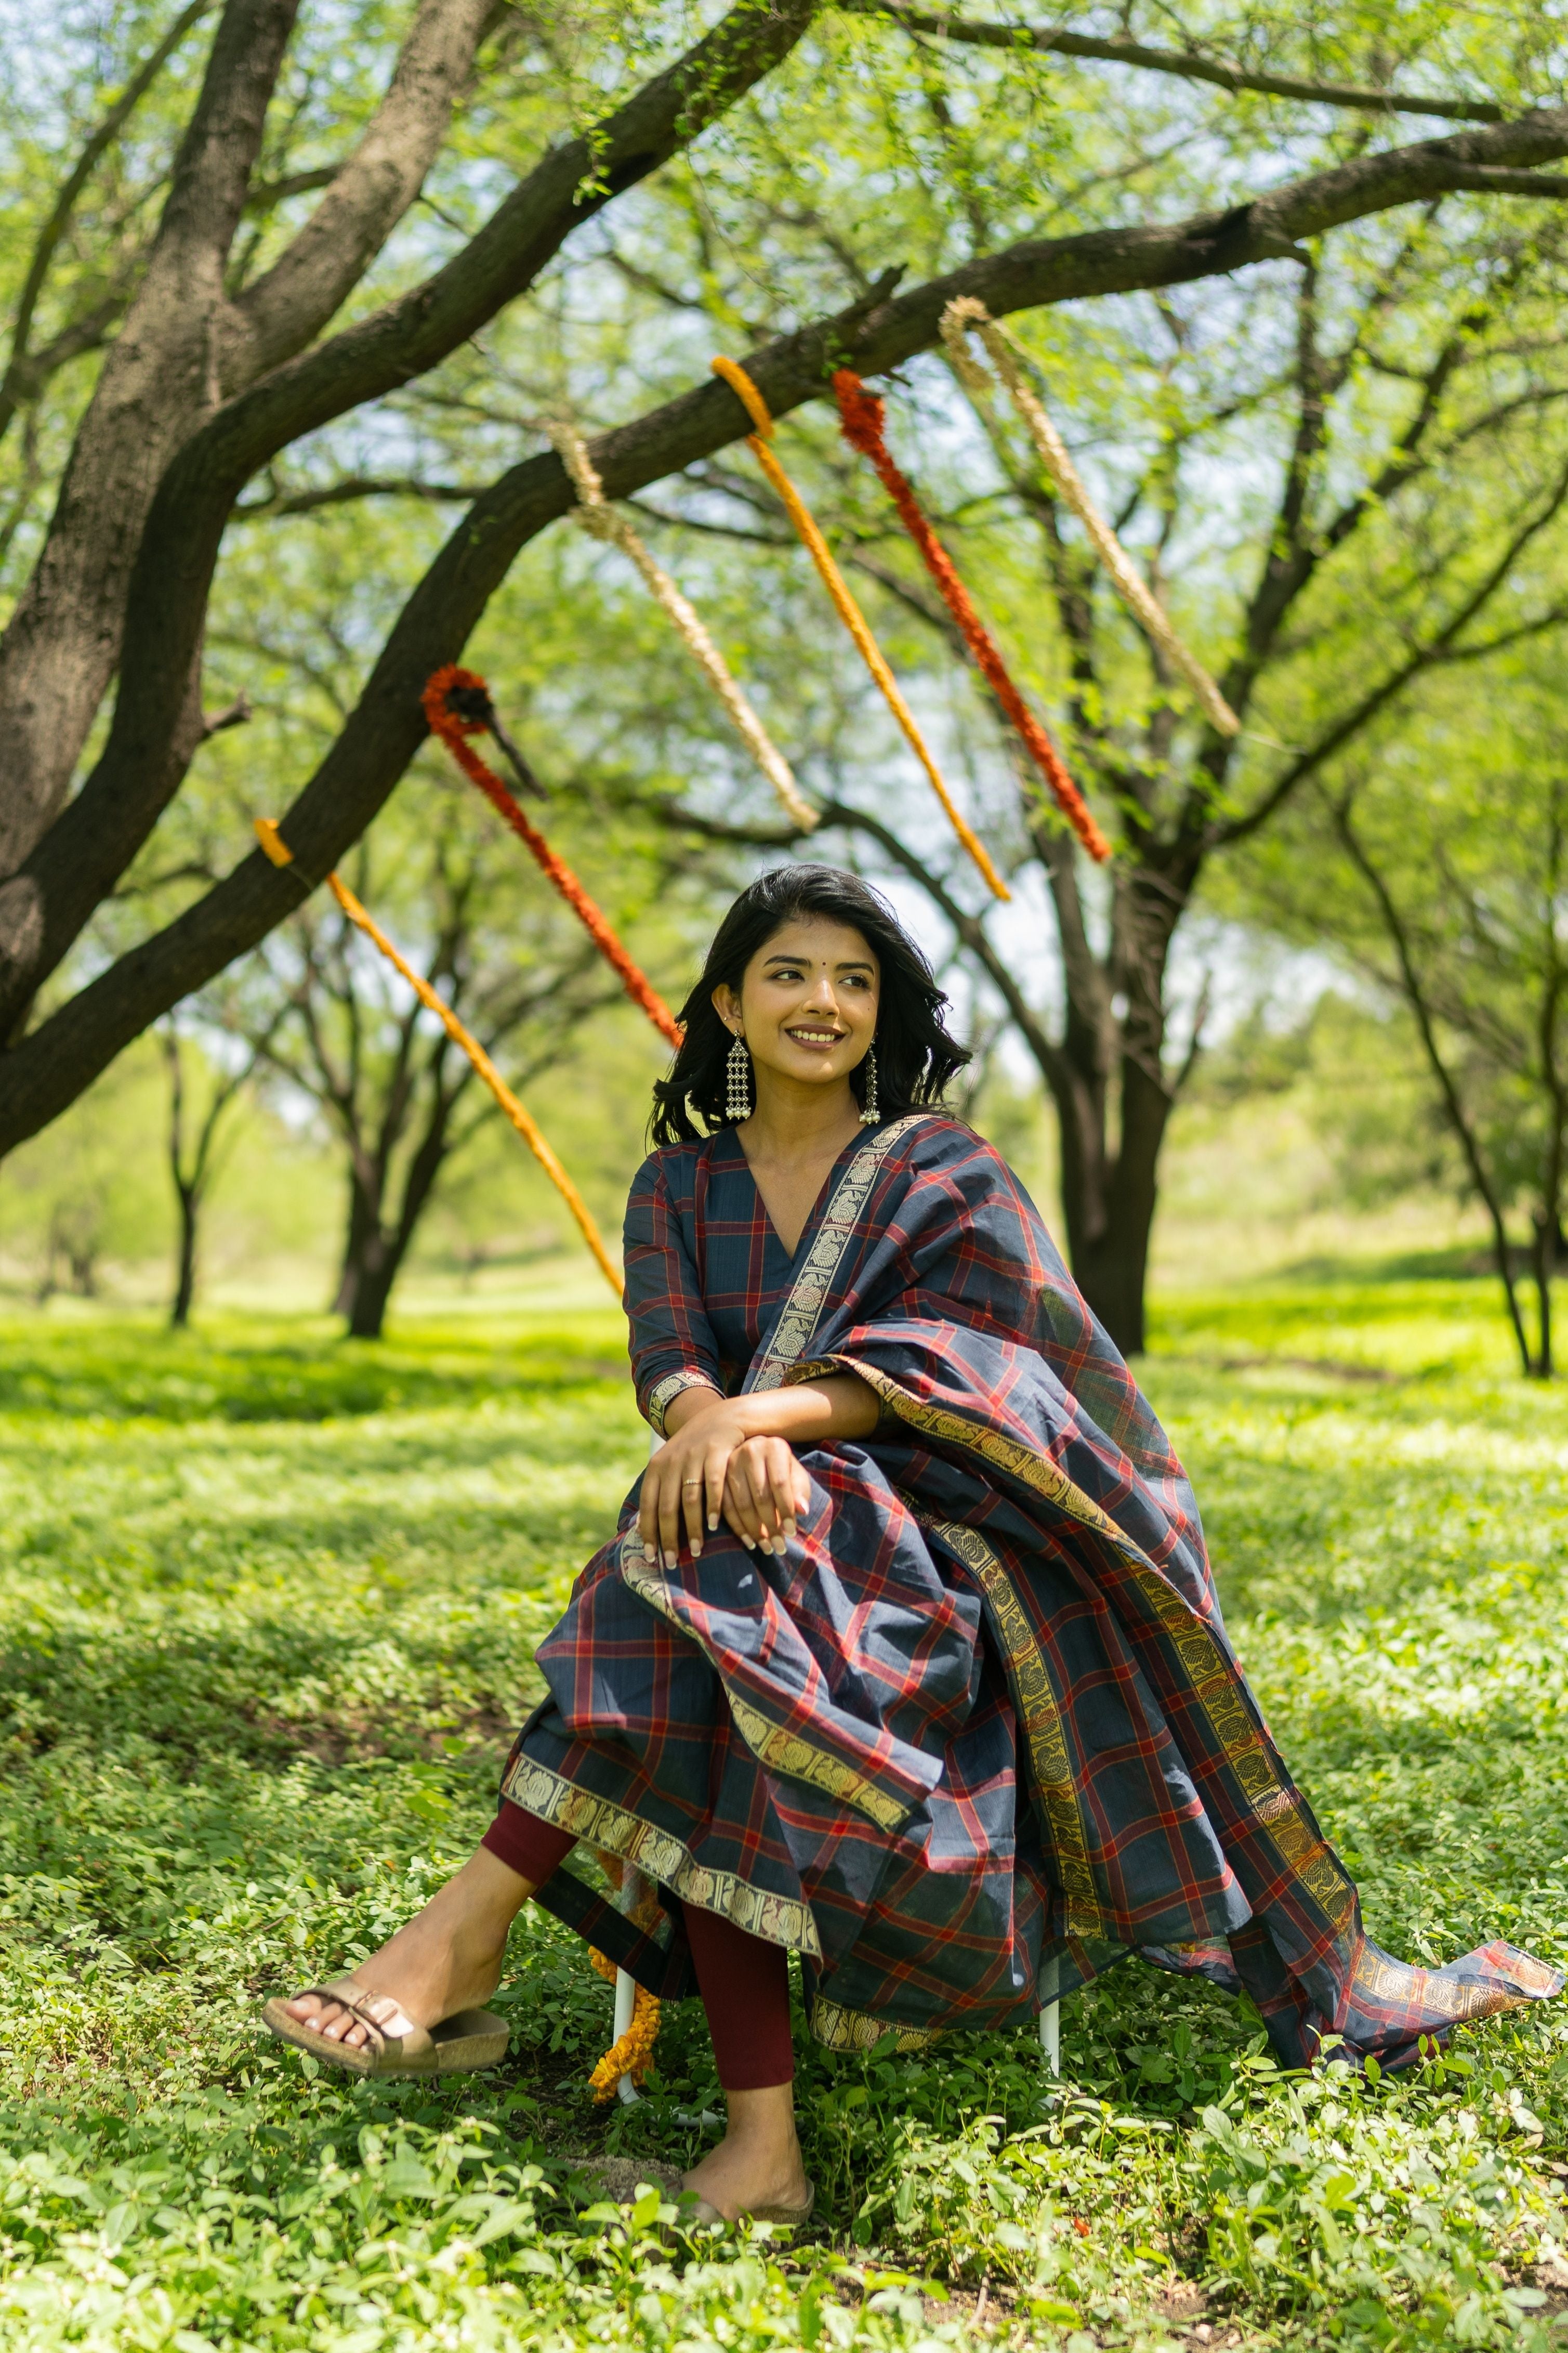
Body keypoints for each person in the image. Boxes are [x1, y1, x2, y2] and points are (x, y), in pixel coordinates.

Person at [267, 863, 1560, 2221]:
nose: (821, 1001)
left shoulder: (942, 1172)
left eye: (853, 979)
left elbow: (982, 1369)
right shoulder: (677, 1184)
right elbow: (666, 1357)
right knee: (726, 1618)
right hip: (750, 1534)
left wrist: (754, 1421)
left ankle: (468, 1942)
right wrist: (711, 1428)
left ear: (881, 1011)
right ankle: (750, 2150)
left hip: (949, 1542)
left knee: (703, 1586)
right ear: (727, 1004)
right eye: (788, 973)